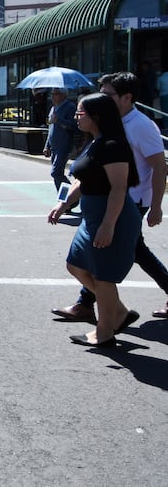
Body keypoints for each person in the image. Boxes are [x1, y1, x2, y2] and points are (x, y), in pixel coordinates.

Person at [52, 72, 168, 322]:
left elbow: (159, 167)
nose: (100, 99)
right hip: (106, 201)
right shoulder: (105, 125)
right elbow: (84, 172)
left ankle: (95, 309)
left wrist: (156, 206)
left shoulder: (140, 126)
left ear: (127, 98)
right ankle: (94, 307)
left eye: (107, 95)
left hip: (131, 202)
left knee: (105, 253)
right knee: (126, 251)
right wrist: (64, 202)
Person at [47, 93, 142, 346]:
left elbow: (119, 188)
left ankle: (104, 332)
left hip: (112, 216)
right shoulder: (95, 142)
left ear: (96, 116)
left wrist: (108, 225)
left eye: (80, 113)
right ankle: (119, 312)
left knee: (103, 276)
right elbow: (80, 179)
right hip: (91, 216)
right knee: (75, 265)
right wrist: (64, 203)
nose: (76, 117)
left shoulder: (113, 145)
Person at [43, 88, 77, 191]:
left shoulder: (70, 107)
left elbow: (74, 126)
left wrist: (59, 120)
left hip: (64, 145)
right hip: (54, 146)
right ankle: (63, 200)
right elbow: (51, 129)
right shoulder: (53, 108)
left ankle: (71, 195)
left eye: (56, 94)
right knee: (57, 174)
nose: (53, 96)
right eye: (52, 94)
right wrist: (47, 146)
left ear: (63, 95)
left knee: (55, 172)